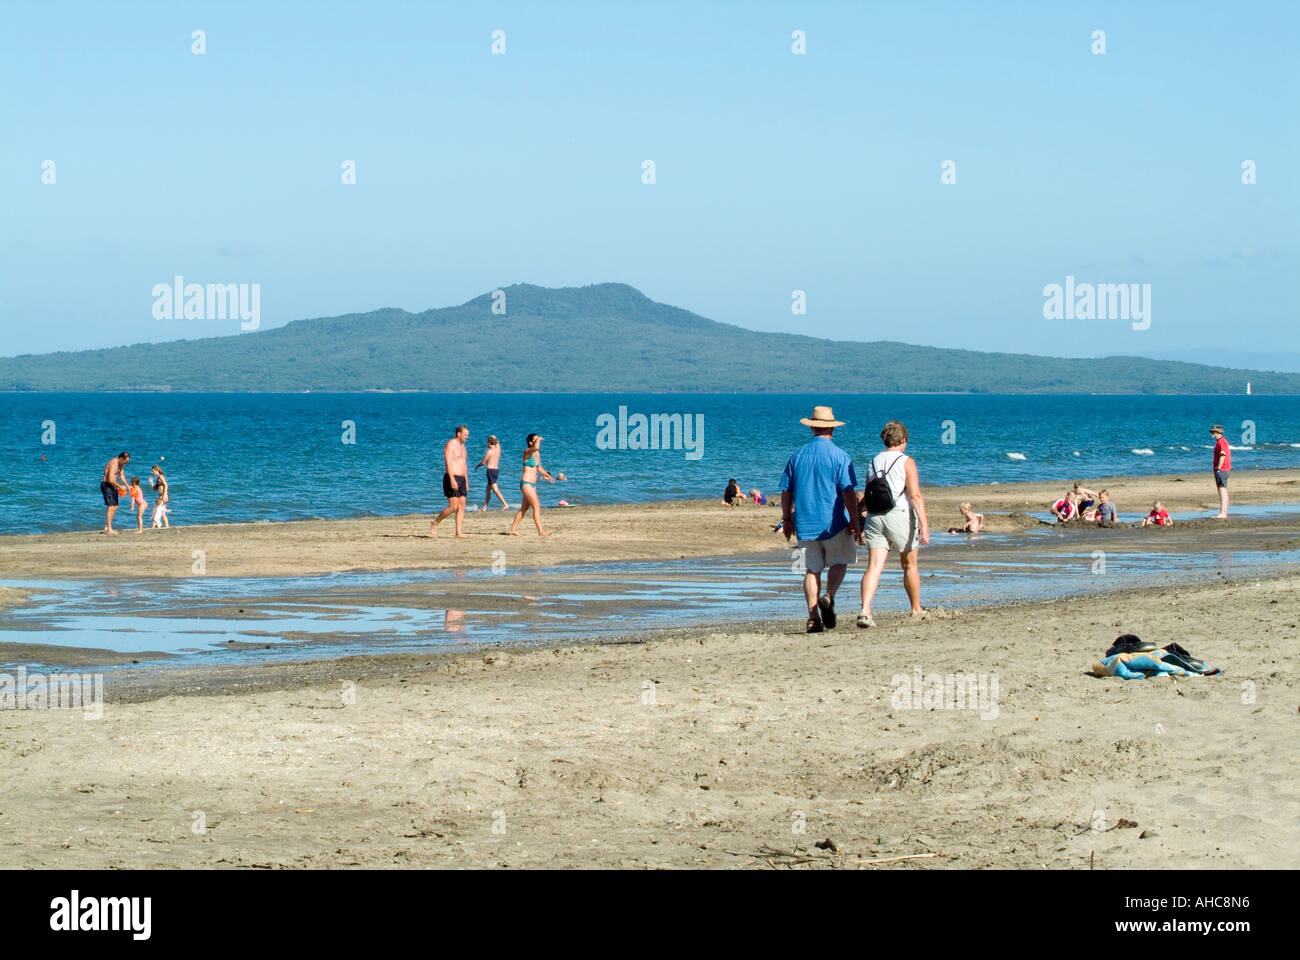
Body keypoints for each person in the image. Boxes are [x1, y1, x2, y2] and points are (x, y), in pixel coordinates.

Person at [778, 406, 860, 633]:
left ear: (813, 426)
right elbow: (848, 492)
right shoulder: (840, 456)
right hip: (833, 523)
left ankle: (813, 617)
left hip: (804, 523)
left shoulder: (798, 455)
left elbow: (786, 491)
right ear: (832, 429)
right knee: (839, 562)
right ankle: (829, 596)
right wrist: (854, 520)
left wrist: (786, 519)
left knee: (812, 570)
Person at [857, 420, 930, 627]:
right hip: (899, 515)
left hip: (875, 516)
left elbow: (868, 493)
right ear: (903, 440)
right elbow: (915, 495)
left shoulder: (873, 461)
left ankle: (865, 611)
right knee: (909, 564)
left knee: (874, 566)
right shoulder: (906, 461)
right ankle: (916, 609)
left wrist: (857, 518)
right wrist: (924, 524)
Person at [508, 433, 555, 536]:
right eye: (535, 440)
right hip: (526, 483)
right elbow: (536, 446)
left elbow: (539, 468)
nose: (537, 441)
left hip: (533, 485)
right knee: (537, 507)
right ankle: (541, 531)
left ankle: (512, 529)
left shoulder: (537, 454)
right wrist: (539, 439)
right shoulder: (527, 452)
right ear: (530, 442)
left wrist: (548, 475)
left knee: (524, 509)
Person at [430, 425, 470, 539]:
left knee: (462, 506)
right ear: (459, 434)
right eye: (465, 434)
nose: (467, 437)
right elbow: (448, 462)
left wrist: (466, 481)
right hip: (451, 477)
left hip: (462, 478)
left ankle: (458, 532)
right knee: (453, 506)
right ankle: (435, 523)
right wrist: (452, 479)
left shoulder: (463, 447)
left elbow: (464, 465)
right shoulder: (450, 444)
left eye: (468, 435)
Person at [99, 451, 130, 535]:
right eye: (125, 462)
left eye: (127, 462)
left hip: (113, 485)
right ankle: (109, 529)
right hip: (106, 485)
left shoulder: (121, 464)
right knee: (110, 506)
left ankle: (107, 526)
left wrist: (127, 486)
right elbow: (110, 479)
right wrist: (120, 487)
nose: (125, 463)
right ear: (121, 458)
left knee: (116, 506)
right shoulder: (113, 463)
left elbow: (122, 475)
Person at [476, 436, 510, 511]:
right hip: (496, 471)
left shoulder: (489, 451)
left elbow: (483, 462)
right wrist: (493, 438)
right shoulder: (498, 450)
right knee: (488, 489)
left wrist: (477, 466)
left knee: (495, 489)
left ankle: (505, 504)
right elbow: (497, 443)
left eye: (488, 442)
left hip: (490, 471)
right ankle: (484, 507)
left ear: (489, 443)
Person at [1210, 424, 1231, 518]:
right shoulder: (1223, 441)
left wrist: (1218, 467)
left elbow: (1223, 454)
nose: (1212, 435)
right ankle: (1223, 512)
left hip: (1222, 469)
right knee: (1222, 489)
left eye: (1213, 433)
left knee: (1222, 489)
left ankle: (1223, 513)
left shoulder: (1221, 442)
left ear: (1218, 433)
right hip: (1224, 469)